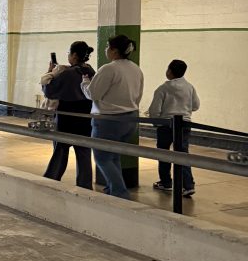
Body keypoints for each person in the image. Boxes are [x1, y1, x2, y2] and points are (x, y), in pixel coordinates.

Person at [81, 34, 144, 200]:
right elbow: (138, 95)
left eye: (107, 46)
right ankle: (112, 188)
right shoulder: (135, 69)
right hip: (130, 118)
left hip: (108, 120)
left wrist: (85, 83)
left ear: (115, 50)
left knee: (102, 157)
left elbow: (93, 94)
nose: (106, 50)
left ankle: (120, 192)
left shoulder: (109, 69)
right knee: (114, 155)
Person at [41, 41, 95, 190]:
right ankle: (85, 185)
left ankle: (51, 179)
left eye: (69, 53)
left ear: (74, 55)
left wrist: (50, 73)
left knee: (60, 149)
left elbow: (49, 91)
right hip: (86, 116)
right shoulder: (91, 71)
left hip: (67, 116)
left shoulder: (67, 74)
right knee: (84, 152)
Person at [148, 59, 200, 198]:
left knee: (163, 153)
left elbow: (154, 110)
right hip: (184, 124)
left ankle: (166, 182)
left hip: (166, 125)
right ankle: (188, 185)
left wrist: (156, 122)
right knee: (183, 154)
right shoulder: (189, 87)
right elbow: (196, 105)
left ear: (169, 71)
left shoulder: (163, 88)